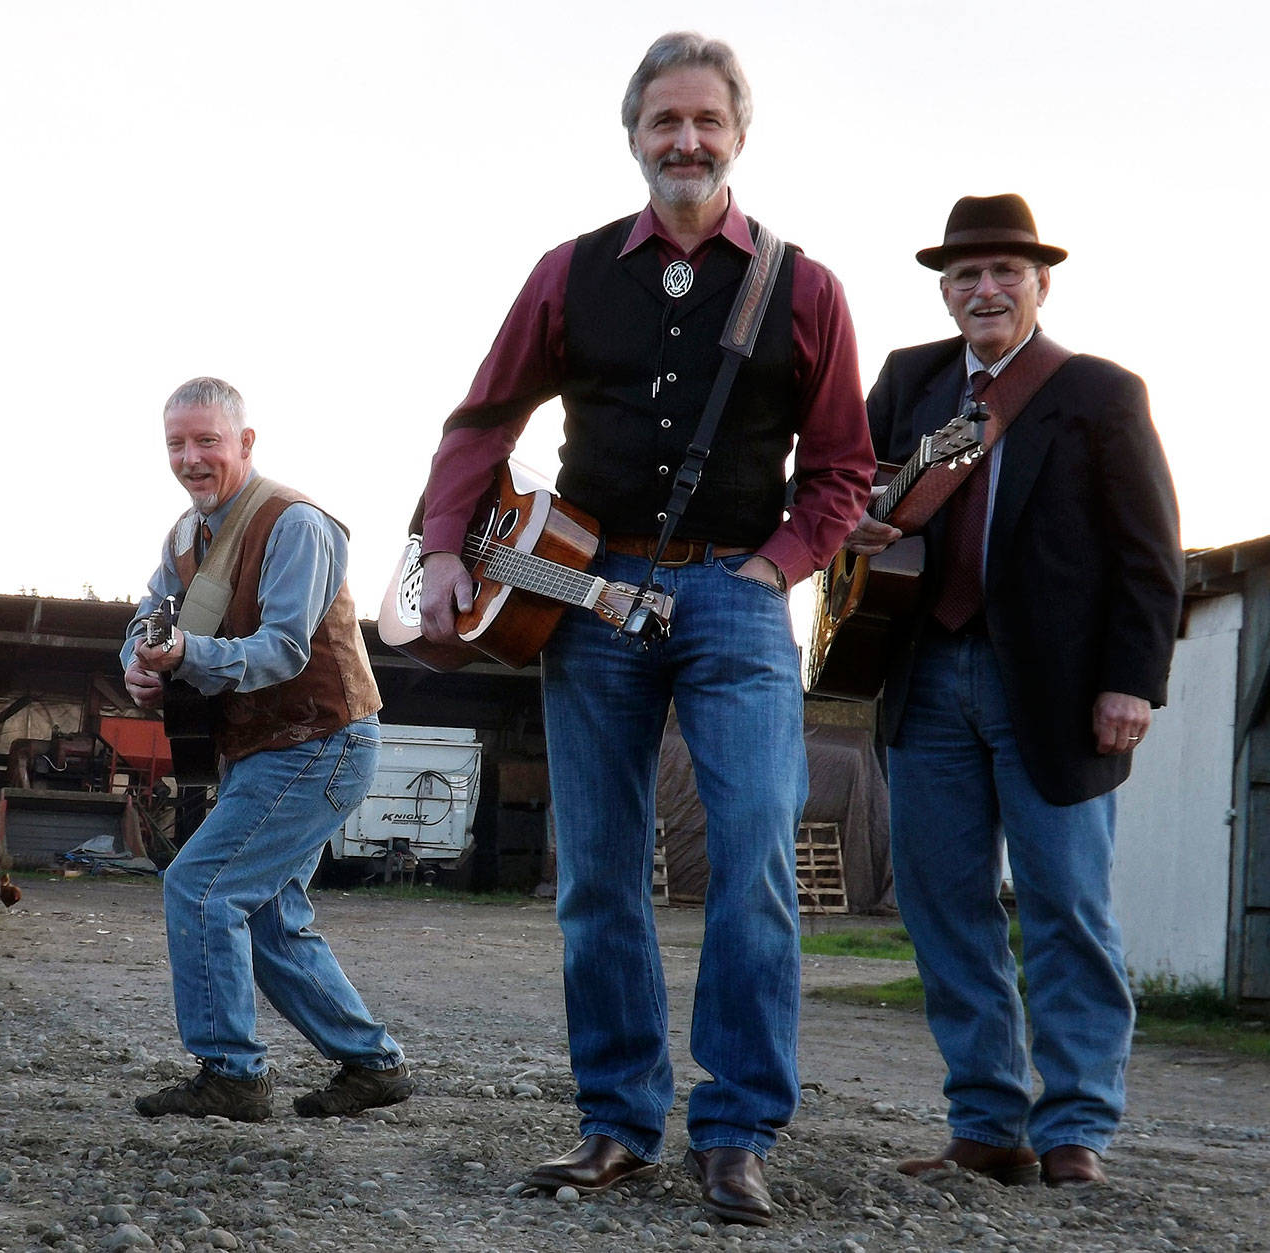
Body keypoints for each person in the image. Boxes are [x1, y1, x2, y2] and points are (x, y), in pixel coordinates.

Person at [417, 32, 873, 1225]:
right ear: (632, 136)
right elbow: (480, 421)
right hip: (584, 591)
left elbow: (840, 470)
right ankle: (615, 1122)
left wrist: (773, 566)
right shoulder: (567, 273)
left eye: (705, 122)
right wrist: (437, 553)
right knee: (599, 875)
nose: (684, 141)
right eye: (662, 121)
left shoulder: (804, 285)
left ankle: (733, 1133)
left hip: (734, 593)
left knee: (758, 864)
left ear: (736, 135)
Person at [849, 194, 1184, 1188]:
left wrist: (1132, 679)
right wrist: (852, 520)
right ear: (943, 290)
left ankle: (1075, 1124)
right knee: (943, 905)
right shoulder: (907, 379)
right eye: (964, 275)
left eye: (1002, 271)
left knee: (1063, 902)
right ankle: (987, 1120)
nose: (983, 289)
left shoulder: (1096, 391)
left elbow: (1146, 549)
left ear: (1038, 283)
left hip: (1057, 687)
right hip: (921, 674)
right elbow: (838, 486)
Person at [121, 376, 412, 1123]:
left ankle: (232, 1071)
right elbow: (149, 617)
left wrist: (185, 656)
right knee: (267, 913)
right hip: (265, 749)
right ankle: (371, 1063)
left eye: (206, 441)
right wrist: (140, 662)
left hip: (322, 739)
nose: (190, 458)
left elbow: (282, 649)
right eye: (177, 444)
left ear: (245, 443)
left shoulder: (298, 524)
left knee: (201, 886)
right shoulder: (185, 538)